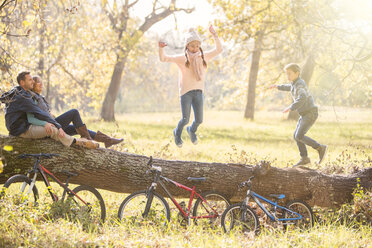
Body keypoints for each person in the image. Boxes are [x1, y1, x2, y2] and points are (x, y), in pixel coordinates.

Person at [159, 25, 223, 147]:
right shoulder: (182, 59)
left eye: (197, 46)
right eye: (192, 46)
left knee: (199, 120)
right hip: (186, 93)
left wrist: (215, 35)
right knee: (185, 119)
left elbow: (219, 49)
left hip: (199, 92)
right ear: (187, 46)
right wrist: (161, 48)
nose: (195, 48)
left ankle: (191, 130)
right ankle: (177, 133)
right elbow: (163, 59)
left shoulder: (204, 57)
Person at [1, 71, 98, 149]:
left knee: (69, 126)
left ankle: (100, 139)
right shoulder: (23, 97)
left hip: (20, 127)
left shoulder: (20, 93)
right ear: (22, 82)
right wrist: (55, 125)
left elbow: (39, 113)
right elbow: (37, 113)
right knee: (53, 129)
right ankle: (78, 142)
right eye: (30, 80)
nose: (33, 82)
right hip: (21, 130)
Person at [29, 76, 123, 148]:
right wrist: (47, 123)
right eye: (38, 82)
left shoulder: (40, 98)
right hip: (50, 128)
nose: (41, 84)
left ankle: (107, 140)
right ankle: (88, 139)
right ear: (33, 85)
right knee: (74, 112)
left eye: (41, 82)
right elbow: (34, 117)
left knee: (76, 128)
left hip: (54, 124)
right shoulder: (33, 99)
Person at [268, 63, 328, 167]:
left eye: (289, 74)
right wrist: (277, 86)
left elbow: (303, 97)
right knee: (296, 136)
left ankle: (320, 148)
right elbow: (289, 87)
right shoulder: (295, 83)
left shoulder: (300, 85)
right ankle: (304, 158)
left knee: (299, 135)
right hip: (305, 114)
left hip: (310, 113)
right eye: (287, 74)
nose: (288, 76)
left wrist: (291, 107)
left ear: (297, 73)